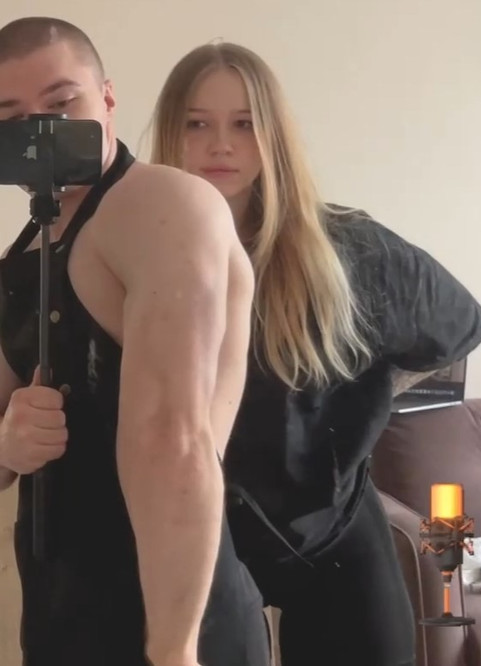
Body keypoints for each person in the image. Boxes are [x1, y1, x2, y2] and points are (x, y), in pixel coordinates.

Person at [149, 42, 481, 666]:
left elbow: (455, 324)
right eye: (197, 124)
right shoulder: (138, 251)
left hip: (331, 525)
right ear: (172, 131)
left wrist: (361, 396)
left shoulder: (344, 247)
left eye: (244, 123)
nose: (220, 145)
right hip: (201, 531)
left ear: (274, 134)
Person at [0, 19, 271, 666]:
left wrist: (174, 652)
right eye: (12, 118)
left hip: (170, 622)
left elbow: (172, 440)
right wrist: (8, 441)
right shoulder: (24, 251)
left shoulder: (162, 206)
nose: (41, 130)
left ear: (107, 99)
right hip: (60, 616)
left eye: (61, 103)